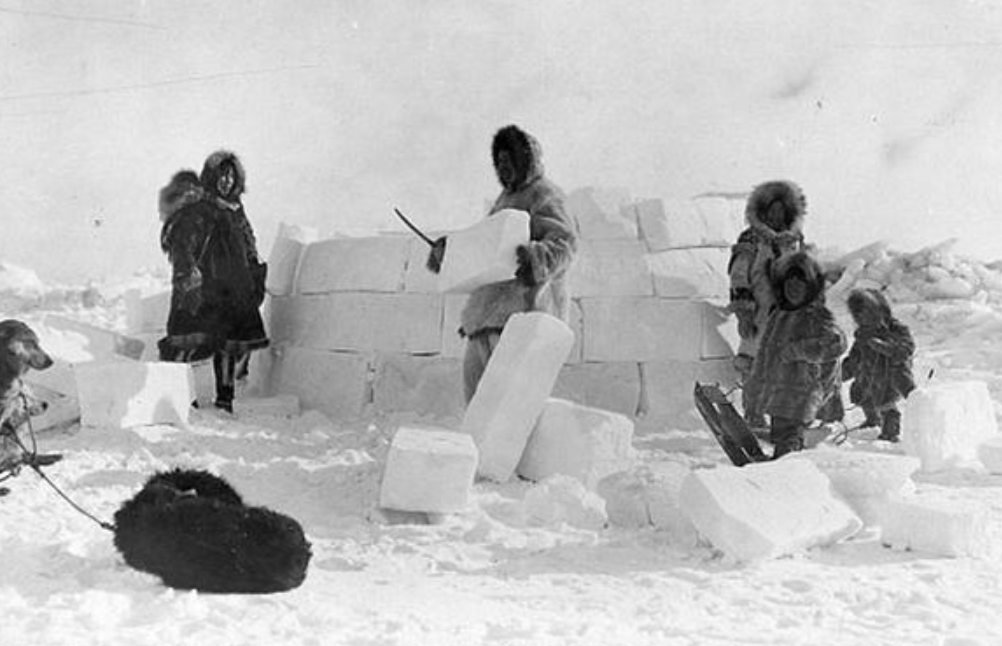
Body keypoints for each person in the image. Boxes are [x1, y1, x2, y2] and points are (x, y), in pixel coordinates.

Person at [426, 125, 579, 402]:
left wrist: (536, 258)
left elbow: (565, 242)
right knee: (478, 410)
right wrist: (449, 254)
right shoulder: (504, 201)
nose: (503, 169)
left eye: (508, 161)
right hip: (485, 320)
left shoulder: (544, 194)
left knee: (509, 411)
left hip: (523, 317)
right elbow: (487, 250)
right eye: (498, 163)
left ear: (524, 159)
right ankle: (478, 447)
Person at [157, 151, 269, 413]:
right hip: (204, 288)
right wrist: (187, 273)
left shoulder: (237, 210)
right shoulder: (199, 209)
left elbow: (248, 245)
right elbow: (183, 244)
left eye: (231, 176)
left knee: (230, 344)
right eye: (221, 176)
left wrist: (255, 275)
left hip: (234, 289)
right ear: (211, 177)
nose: (226, 182)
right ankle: (181, 397)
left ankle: (225, 398)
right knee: (188, 344)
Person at [745, 251, 847, 459]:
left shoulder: (816, 315)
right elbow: (765, 356)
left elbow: (836, 343)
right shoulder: (779, 315)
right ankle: (782, 464)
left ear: (809, 288)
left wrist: (799, 350)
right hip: (778, 391)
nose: (793, 291)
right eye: (788, 285)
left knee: (788, 435)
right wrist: (754, 388)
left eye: (799, 286)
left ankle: (785, 469)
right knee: (780, 432)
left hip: (803, 391)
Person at [728, 180, 809, 429]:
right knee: (754, 363)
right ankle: (753, 413)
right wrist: (744, 312)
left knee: (787, 365)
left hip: (789, 314)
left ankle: (782, 416)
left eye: (781, 211)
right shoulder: (751, 239)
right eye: (772, 210)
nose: (776, 216)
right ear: (762, 212)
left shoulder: (794, 240)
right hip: (760, 312)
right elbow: (739, 274)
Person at [842, 288, 916, 442]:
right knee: (862, 394)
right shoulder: (862, 335)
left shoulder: (895, 328)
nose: (863, 318)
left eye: (866, 313)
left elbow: (906, 349)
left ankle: (891, 430)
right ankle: (872, 419)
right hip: (867, 373)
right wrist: (843, 371)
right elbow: (854, 356)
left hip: (889, 373)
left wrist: (883, 346)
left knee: (885, 401)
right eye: (858, 315)